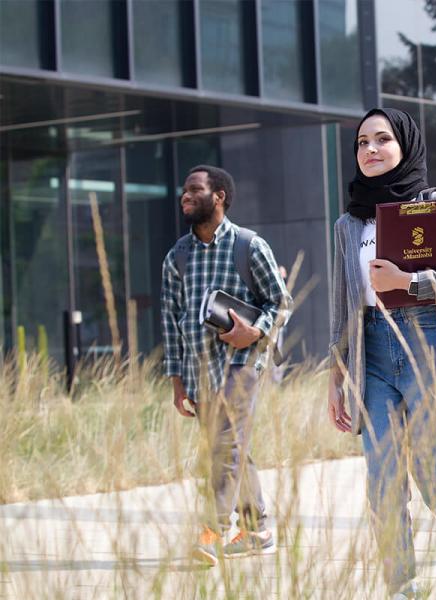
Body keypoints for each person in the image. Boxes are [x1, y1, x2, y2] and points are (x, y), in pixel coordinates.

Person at [327, 108, 436, 598]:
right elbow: (343, 303)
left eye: (383, 139)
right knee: (383, 482)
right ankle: (402, 586)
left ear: (404, 147)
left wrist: (409, 282)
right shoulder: (347, 223)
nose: (370, 149)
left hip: (427, 342)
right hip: (371, 353)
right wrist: (336, 376)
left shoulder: (433, 203)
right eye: (362, 142)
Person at [161, 165, 292, 566]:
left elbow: (280, 303)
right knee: (233, 445)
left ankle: (212, 530)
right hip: (200, 368)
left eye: (195, 189)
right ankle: (257, 528)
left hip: (243, 363)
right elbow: (170, 318)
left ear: (218, 196)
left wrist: (254, 332)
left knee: (227, 445)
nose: (185, 195)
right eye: (184, 190)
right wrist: (177, 379)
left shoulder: (248, 245)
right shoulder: (177, 256)